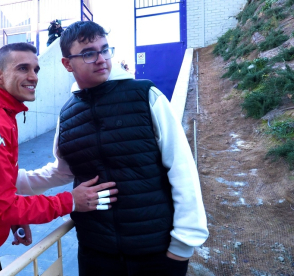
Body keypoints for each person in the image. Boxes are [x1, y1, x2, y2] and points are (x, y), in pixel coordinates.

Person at [16, 21, 209, 276]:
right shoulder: (68, 114)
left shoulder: (146, 96)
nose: (101, 58)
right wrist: (7, 179)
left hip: (156, 252)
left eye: (105, 49)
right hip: (96, 254)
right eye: (88, 53)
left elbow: (182, 167)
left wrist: (183, 243)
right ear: (67, 64)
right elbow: (62, 172)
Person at [0, 42, 117, 276]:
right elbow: (3, 206)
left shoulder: (2, 114)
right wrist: (70, 201)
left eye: (36, 69)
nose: (33, 77)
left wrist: (13, 218)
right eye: (22, 68)